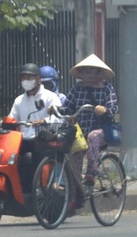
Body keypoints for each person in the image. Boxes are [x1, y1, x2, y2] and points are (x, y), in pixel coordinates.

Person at [62, 54, 118, 201]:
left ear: (99, 73)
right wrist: (55, 109)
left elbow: (113, 108)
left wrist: (104, 109)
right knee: (74, 159)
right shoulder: (77, 89)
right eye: (86, 71)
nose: (89, 74)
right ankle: (74, 196)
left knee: (93, 136)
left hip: (100, 130)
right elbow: (67, 107)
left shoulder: (106, 88)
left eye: (92, 71)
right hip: (80, 131)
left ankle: (91, 173)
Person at [8, 62, 62, 138]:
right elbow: (12, 119)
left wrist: (44, 121)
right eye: (23, 78)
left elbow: (59, 119)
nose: (25, 80)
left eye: (29, 77)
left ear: (38, 78)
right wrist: (1, 123)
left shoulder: (51, 97)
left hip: (44, 141)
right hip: (22, 141)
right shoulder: (19, 100)